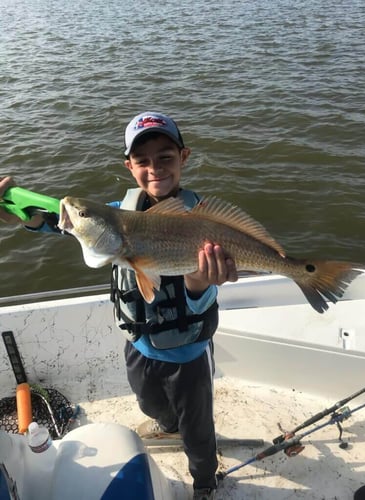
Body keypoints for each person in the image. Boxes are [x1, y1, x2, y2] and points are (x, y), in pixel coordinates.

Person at [0, 111, 238, 500]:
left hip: (189, 351)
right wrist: (16, 212)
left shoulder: (201, 222)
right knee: (148, 400)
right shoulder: (117, 213)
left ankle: (205, 481)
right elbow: (61, 221)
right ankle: (166, 424)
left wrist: (199, 281)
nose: (154, 168)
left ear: (184, 157)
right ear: (129, 166)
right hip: (138, 343)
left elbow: (198, 295)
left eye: (165, 157)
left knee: (199, 429)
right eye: (142, 161)